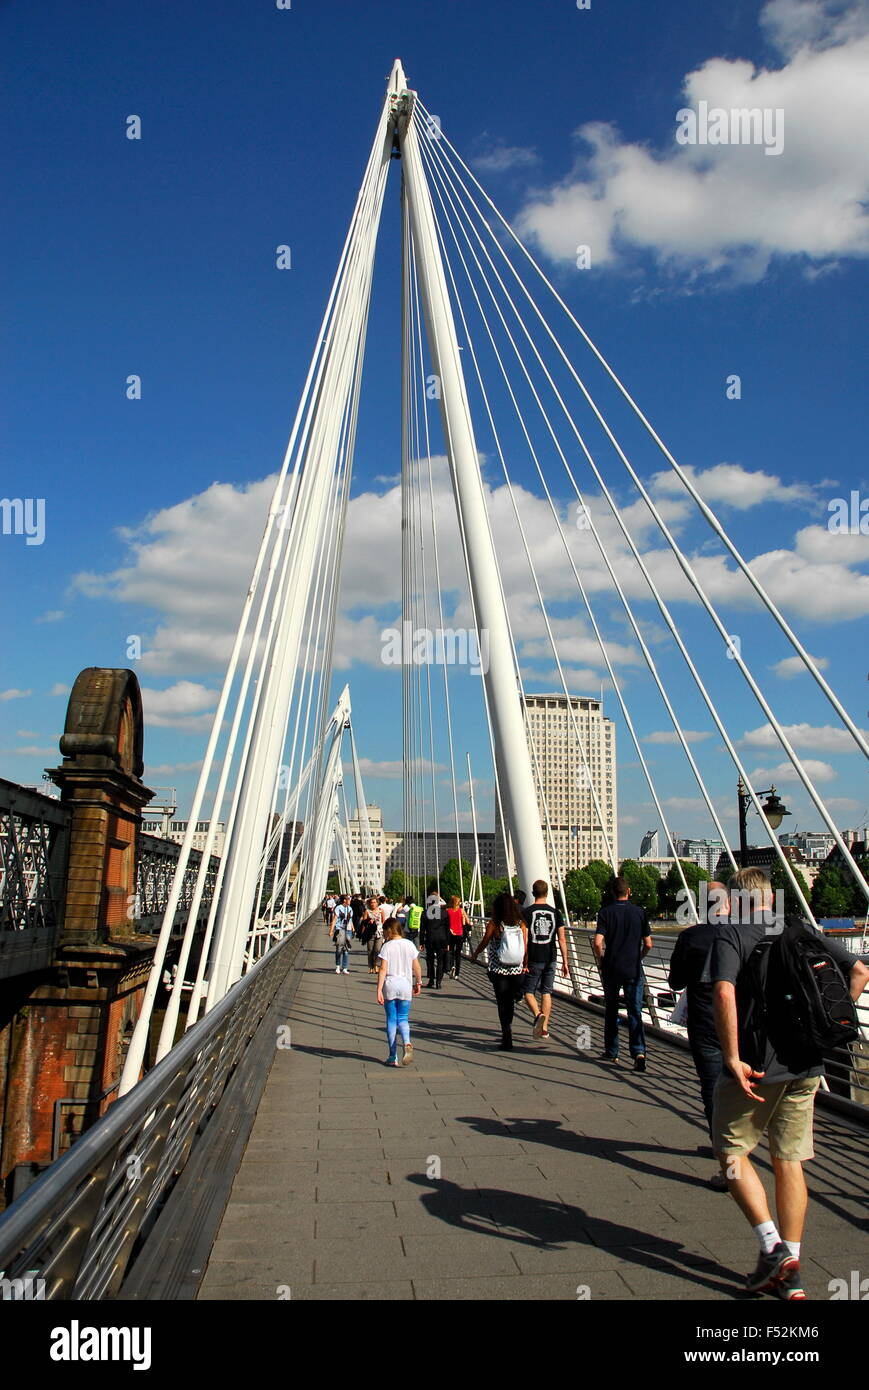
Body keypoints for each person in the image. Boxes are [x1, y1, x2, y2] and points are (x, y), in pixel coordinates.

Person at [710, 866, 869, 1300]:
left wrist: (731, 1058)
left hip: (759, 1067)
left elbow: (723, 992)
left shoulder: (732, 933)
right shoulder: (799, 929)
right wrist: (822, 1026)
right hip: (807, 1065)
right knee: (789, 1161)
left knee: (731, 1153)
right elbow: (858, 971)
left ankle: (772, 1247)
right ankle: (792, 1270)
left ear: (738, 899)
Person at [668, 880, 730, 1190]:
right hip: (742, 1026)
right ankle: (732, 1148)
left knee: (711, 1089)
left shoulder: (691, 937)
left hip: (706, 1023)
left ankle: (726, 1157)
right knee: (740, 1087)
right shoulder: (744, 936)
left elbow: (675, 982)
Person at [593, 875, 652, 1071]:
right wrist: (639, 957)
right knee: (635, 1010)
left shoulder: (605, 912)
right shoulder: (639, 913)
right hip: (633, 968)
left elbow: (598, 942)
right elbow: (649, 944)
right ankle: (639, 1052)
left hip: (612, 968)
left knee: (611, 1009)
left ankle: (612, 1051)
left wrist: (601, 962)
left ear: (612, 893)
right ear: (629, 892)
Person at [470, 891, 528, 1050]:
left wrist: (475, 955)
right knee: (510, 1001)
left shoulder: (494, 924)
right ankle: (509, 1025)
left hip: (498, 970)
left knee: (502, 1002)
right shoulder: (520, 923)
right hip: (516, 969)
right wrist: (525, 964)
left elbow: (484, 941)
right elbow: (525, 946)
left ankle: (506, 1030)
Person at [521, 879, 569, 1040]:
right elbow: (562, 939)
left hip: (534, 957)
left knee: (528, 991)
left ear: (533, 893)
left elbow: (525, 938)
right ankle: (545, 1028)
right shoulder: (556, 913)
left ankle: (537, 1014)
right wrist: (565, 962)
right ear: (547, 893)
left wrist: (524, 959)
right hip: (551, 958)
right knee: (546, 992)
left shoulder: (527, 913)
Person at [377, 920, 422, 1066]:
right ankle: (407, 1042)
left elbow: (383, 969)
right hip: (405, 985)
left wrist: (379, 989)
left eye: (384, 931)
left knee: (391, 1020)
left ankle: (392, 1056)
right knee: (403, 1019)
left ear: (389, 930)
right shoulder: (409, 944)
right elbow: (416, 967)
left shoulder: (386, 946)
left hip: (390, 984)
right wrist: (419, 982)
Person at [420, 891, 449, 989]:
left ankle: (431, 980)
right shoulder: (444, 913)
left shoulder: (425, 913)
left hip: (430, 939)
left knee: (430, 961)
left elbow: (422, 929)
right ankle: (439, 982)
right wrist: (447, 942)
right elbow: (447, 928)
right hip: (441, 939)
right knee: (440, 961)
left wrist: (421, 942)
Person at [446, 896, 470, 978]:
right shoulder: (461, 911)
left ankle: (452, 965)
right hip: (459, 934)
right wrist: (464, 920)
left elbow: (445, 922)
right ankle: (457, 974)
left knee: (451, 951)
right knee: (458, 953)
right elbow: (468, 922)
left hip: (451, 934)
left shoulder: (448, 911)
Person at [329, 895, 354, 974]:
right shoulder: (338, 908)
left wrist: (353, 928)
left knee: (346, 950)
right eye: (349, 899)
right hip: (340, 930)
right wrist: (331, 930)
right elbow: (335, 919)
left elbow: (350, 919)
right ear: (344, 900)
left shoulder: (350, 908)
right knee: (339, 949)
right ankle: (338, 966)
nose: (350, 900)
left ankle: (345, 967)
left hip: (348, 930)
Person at [362, 896, 385, 973]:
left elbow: (383, 922)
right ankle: (371, 967)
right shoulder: (367, 911)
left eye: (374, 902)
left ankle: (376, 965)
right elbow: (364, 923)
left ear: (377, 903)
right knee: (370, 950)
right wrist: (368, 921)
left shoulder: (381, 911)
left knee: (377, 949)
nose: (373, 904)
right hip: (370, 933)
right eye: (371, 902)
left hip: (379, 932)